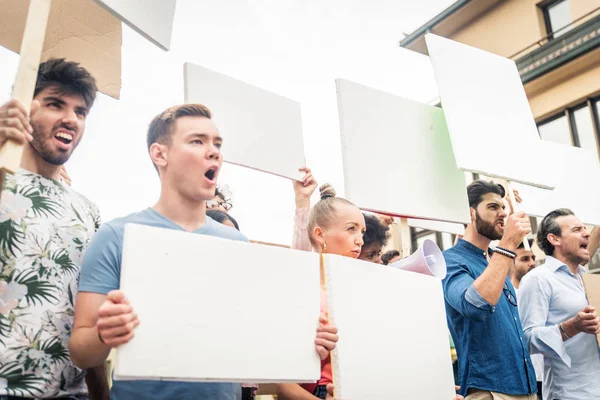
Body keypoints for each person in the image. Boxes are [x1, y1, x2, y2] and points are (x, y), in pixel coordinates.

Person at [68, 103, 338, 400]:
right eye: (197, 141)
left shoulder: (237, 244)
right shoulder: (116, 235)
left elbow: (255, 340)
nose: (214, 151)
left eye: (217, 144)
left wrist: (306, 345)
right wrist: (104, 333)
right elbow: (81, 351)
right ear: (160, 154)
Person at [0, 59, 107, 399]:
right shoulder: (3, 182)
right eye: (55, 103)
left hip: (71, 394)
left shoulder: (88, 212)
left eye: (81, 111)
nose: (70, 119)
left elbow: (89, 317)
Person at [442, 180, 537, 400]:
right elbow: (476, 305)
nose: (502, 213)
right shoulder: (450, 260)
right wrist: (508, 243)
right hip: (488, 389)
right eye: (493, 207)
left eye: (504, 207)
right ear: (471, 214)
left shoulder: (496, 260)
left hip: (524, 387)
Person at [518, 209, 600, 400]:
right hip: (571, 394)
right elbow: (525, 339)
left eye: (586, 229)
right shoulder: (538, 279)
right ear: (554, 239)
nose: (586, 233)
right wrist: (571, 327)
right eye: (577, 229)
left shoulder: (586, 278)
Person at [509, 239, 543, 399]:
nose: (532, 263)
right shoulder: (507, 295)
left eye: (533, 258)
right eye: (524, 259)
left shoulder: (541, 290)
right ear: (511, 262)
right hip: (524, 377)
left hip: (546, 371)